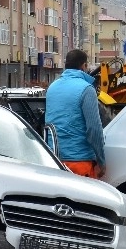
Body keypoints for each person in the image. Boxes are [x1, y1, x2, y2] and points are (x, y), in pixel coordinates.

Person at [45, 49, 105, 178]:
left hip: (54, 160)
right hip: (79, 163)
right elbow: (94, 129)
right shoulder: (86, 89)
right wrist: (101, 160)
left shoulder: (52, 87)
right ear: (83, 65)